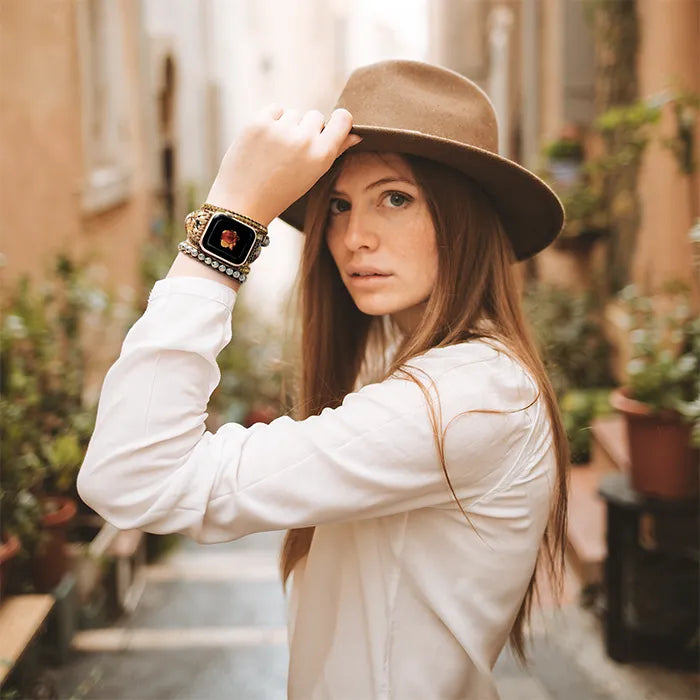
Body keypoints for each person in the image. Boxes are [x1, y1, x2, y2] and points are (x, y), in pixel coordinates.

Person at [77, 59, 569, 699]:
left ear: (465, 217)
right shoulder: (413, 361)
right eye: (338, 204)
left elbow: (134, 474)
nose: (354, 236)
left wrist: (230, 220)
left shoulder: (466, 400)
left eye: (395, 198)